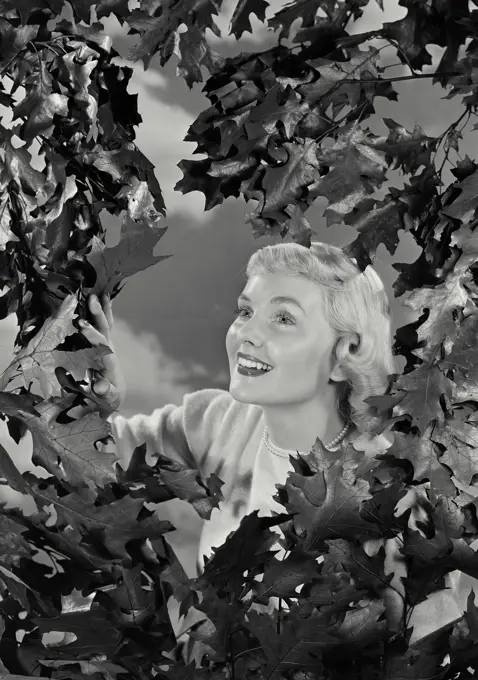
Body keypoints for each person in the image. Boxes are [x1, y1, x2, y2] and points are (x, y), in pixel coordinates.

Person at [78, 241, 468, 658]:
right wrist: (98, 402)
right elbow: (90, 462)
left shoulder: (397, 491)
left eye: (283, 318)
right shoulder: (214, 422)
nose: (247, 332)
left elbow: (429, 652)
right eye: (245, 311)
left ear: (346, 353)